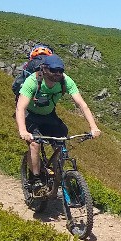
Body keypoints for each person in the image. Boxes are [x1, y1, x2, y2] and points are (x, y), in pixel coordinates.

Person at [15, 54, 102, 194]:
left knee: (61, 141)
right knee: (34, 143)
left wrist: (93, 127)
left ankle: (57, 177)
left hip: (49, 115)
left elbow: (82, 105)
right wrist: (23, 130)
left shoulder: (65, 81)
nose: (57, 74)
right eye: (54, 70)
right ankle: (35, 179)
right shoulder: (33, 81)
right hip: (30, 116)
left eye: (60, 71)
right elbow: (20, 107)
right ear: (44, 69)